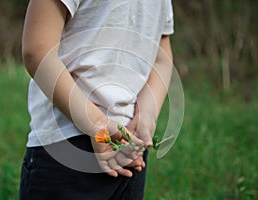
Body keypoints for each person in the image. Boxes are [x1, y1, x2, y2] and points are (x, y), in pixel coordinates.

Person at [19, 0, 174, 199]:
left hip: (95, 147)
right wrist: (141, 117)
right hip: (107, 141)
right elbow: (162, 57)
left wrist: (139, 117)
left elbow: (38, 50)